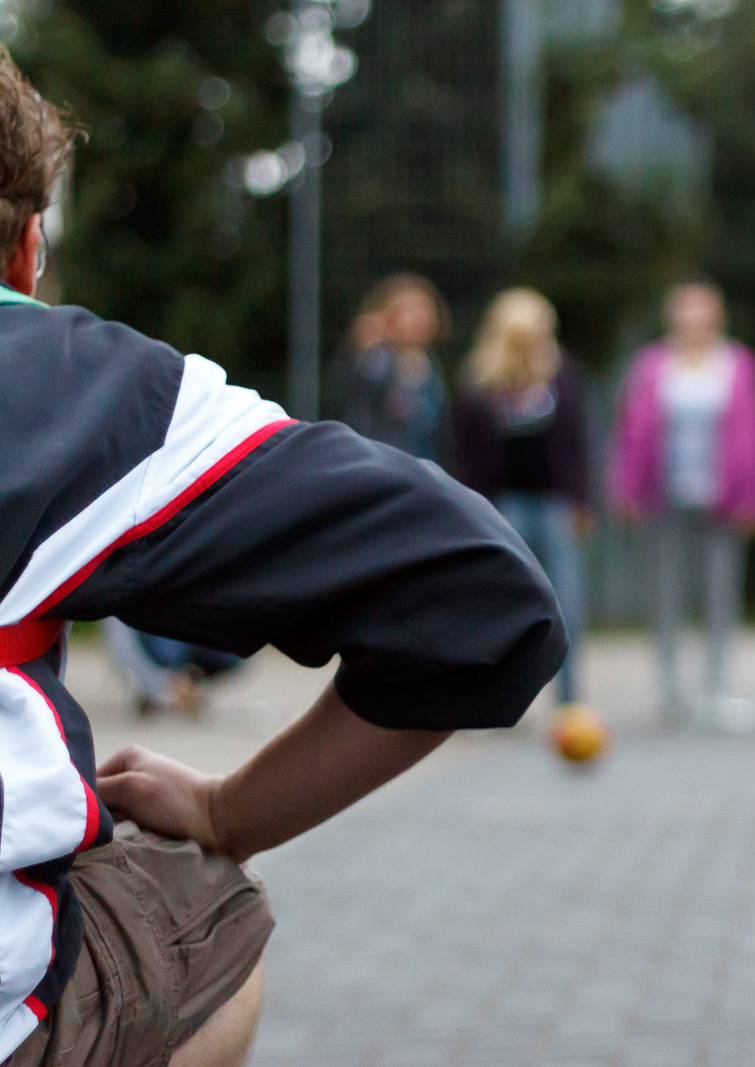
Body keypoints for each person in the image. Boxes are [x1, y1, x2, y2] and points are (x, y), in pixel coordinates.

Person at [0, 52, 566, 1067]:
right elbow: (480, 599)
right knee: (203, 908)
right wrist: (228, 809)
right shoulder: (72, 389)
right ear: (28, 255)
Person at [611, 281, 755, 725]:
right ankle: (667, 689)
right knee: (664, 592)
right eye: (686, 315)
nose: (694, 324)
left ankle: (716, 687)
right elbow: (630, 430)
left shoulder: (739, 364)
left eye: (702, 315)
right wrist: (626, 488)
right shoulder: (650, 365)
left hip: (723, 497)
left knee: (721, 592)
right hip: (664, 494)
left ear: (717, 319)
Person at [455, 289, 592, 710]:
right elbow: (466, 453)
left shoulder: (563, 373)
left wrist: (582, 500)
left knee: (566, 603)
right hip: (502, 506)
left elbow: (579, 441)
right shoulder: (479, 382)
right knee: (503, 605)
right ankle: (501, 699)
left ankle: (569, 701)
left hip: (554, 504)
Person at [342, 274, 452, 462]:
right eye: (409, 311)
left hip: (426, 464)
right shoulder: (377, 359)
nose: (419, 319)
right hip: (384, 463)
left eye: (424, 311)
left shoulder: (431, 363)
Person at [103, 619, 245, 718]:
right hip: (158, 646)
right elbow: (120, 639)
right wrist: (158, 683)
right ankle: (175, 686)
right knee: (168, 649)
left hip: (193, 639)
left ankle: (183, 683)